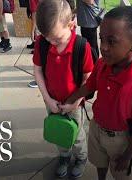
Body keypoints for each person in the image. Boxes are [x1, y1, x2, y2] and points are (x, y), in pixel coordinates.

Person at [60, 6, 132, 180]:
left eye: (111, 41)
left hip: (120, 140)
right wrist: (71, 99)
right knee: (99, 163)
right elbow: (89, 86)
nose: (103, 47)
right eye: (101, 39)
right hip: (96, 128)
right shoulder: (102, 65)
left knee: (119, 173)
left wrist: (127, 155)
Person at [33, 0, 94, 178]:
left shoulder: (82, 46)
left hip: (74, 102)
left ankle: (81, 157)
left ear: (71, 25)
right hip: (52, 101)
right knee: (59, 131)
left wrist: (75, 103)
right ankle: (64, 156)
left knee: (76, 135)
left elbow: (87, 78)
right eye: (47, 38)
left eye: (57, 38)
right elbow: (37, 71)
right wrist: (47, 99)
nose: (51, 42)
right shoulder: (42, 43)